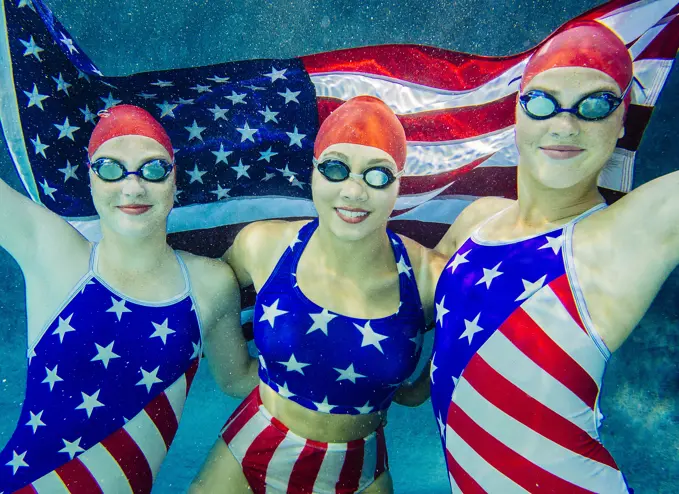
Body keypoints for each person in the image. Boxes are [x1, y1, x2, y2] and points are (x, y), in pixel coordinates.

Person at [430, 22, 678, 492]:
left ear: (624, 119)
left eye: (597, 104)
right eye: (542, 101)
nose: (565, 125)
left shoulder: (626, 233)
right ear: (517, 113)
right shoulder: (477, 221)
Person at [190, 96, 446, 493]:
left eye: (377, 174)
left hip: (356, 474)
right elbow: (210, 285)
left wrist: (416, 391)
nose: (354, 191)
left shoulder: (430, 277)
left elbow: (473, 333)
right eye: (335, 168)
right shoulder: (263, 245)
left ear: (400, 183)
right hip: (250, 450)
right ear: (312, 173)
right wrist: (233, 371)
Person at [0, 105, 257, 492]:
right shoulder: (53, 253)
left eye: (153, 169)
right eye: (110, 168)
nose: (132, 187)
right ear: (90, 178)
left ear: (175, 180)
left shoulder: (209, 284)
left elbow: (239, 378)